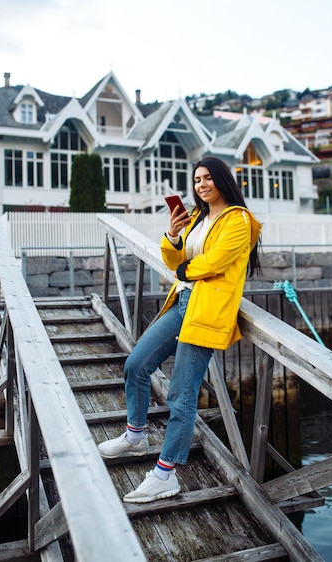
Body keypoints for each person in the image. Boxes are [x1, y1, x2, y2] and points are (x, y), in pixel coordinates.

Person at [98, 157, 262, 503]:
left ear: (221, 181)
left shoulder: (239, 220)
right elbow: (174, 261)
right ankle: (135, 434)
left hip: (207, 310)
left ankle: (165, 474)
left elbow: (216, 261)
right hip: (182, 303)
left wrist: (185, 270)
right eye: (197, 180)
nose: (201, 185)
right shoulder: (199, 218)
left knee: (181, 395)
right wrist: (173, 234)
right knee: (136, 364)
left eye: (208, 178)